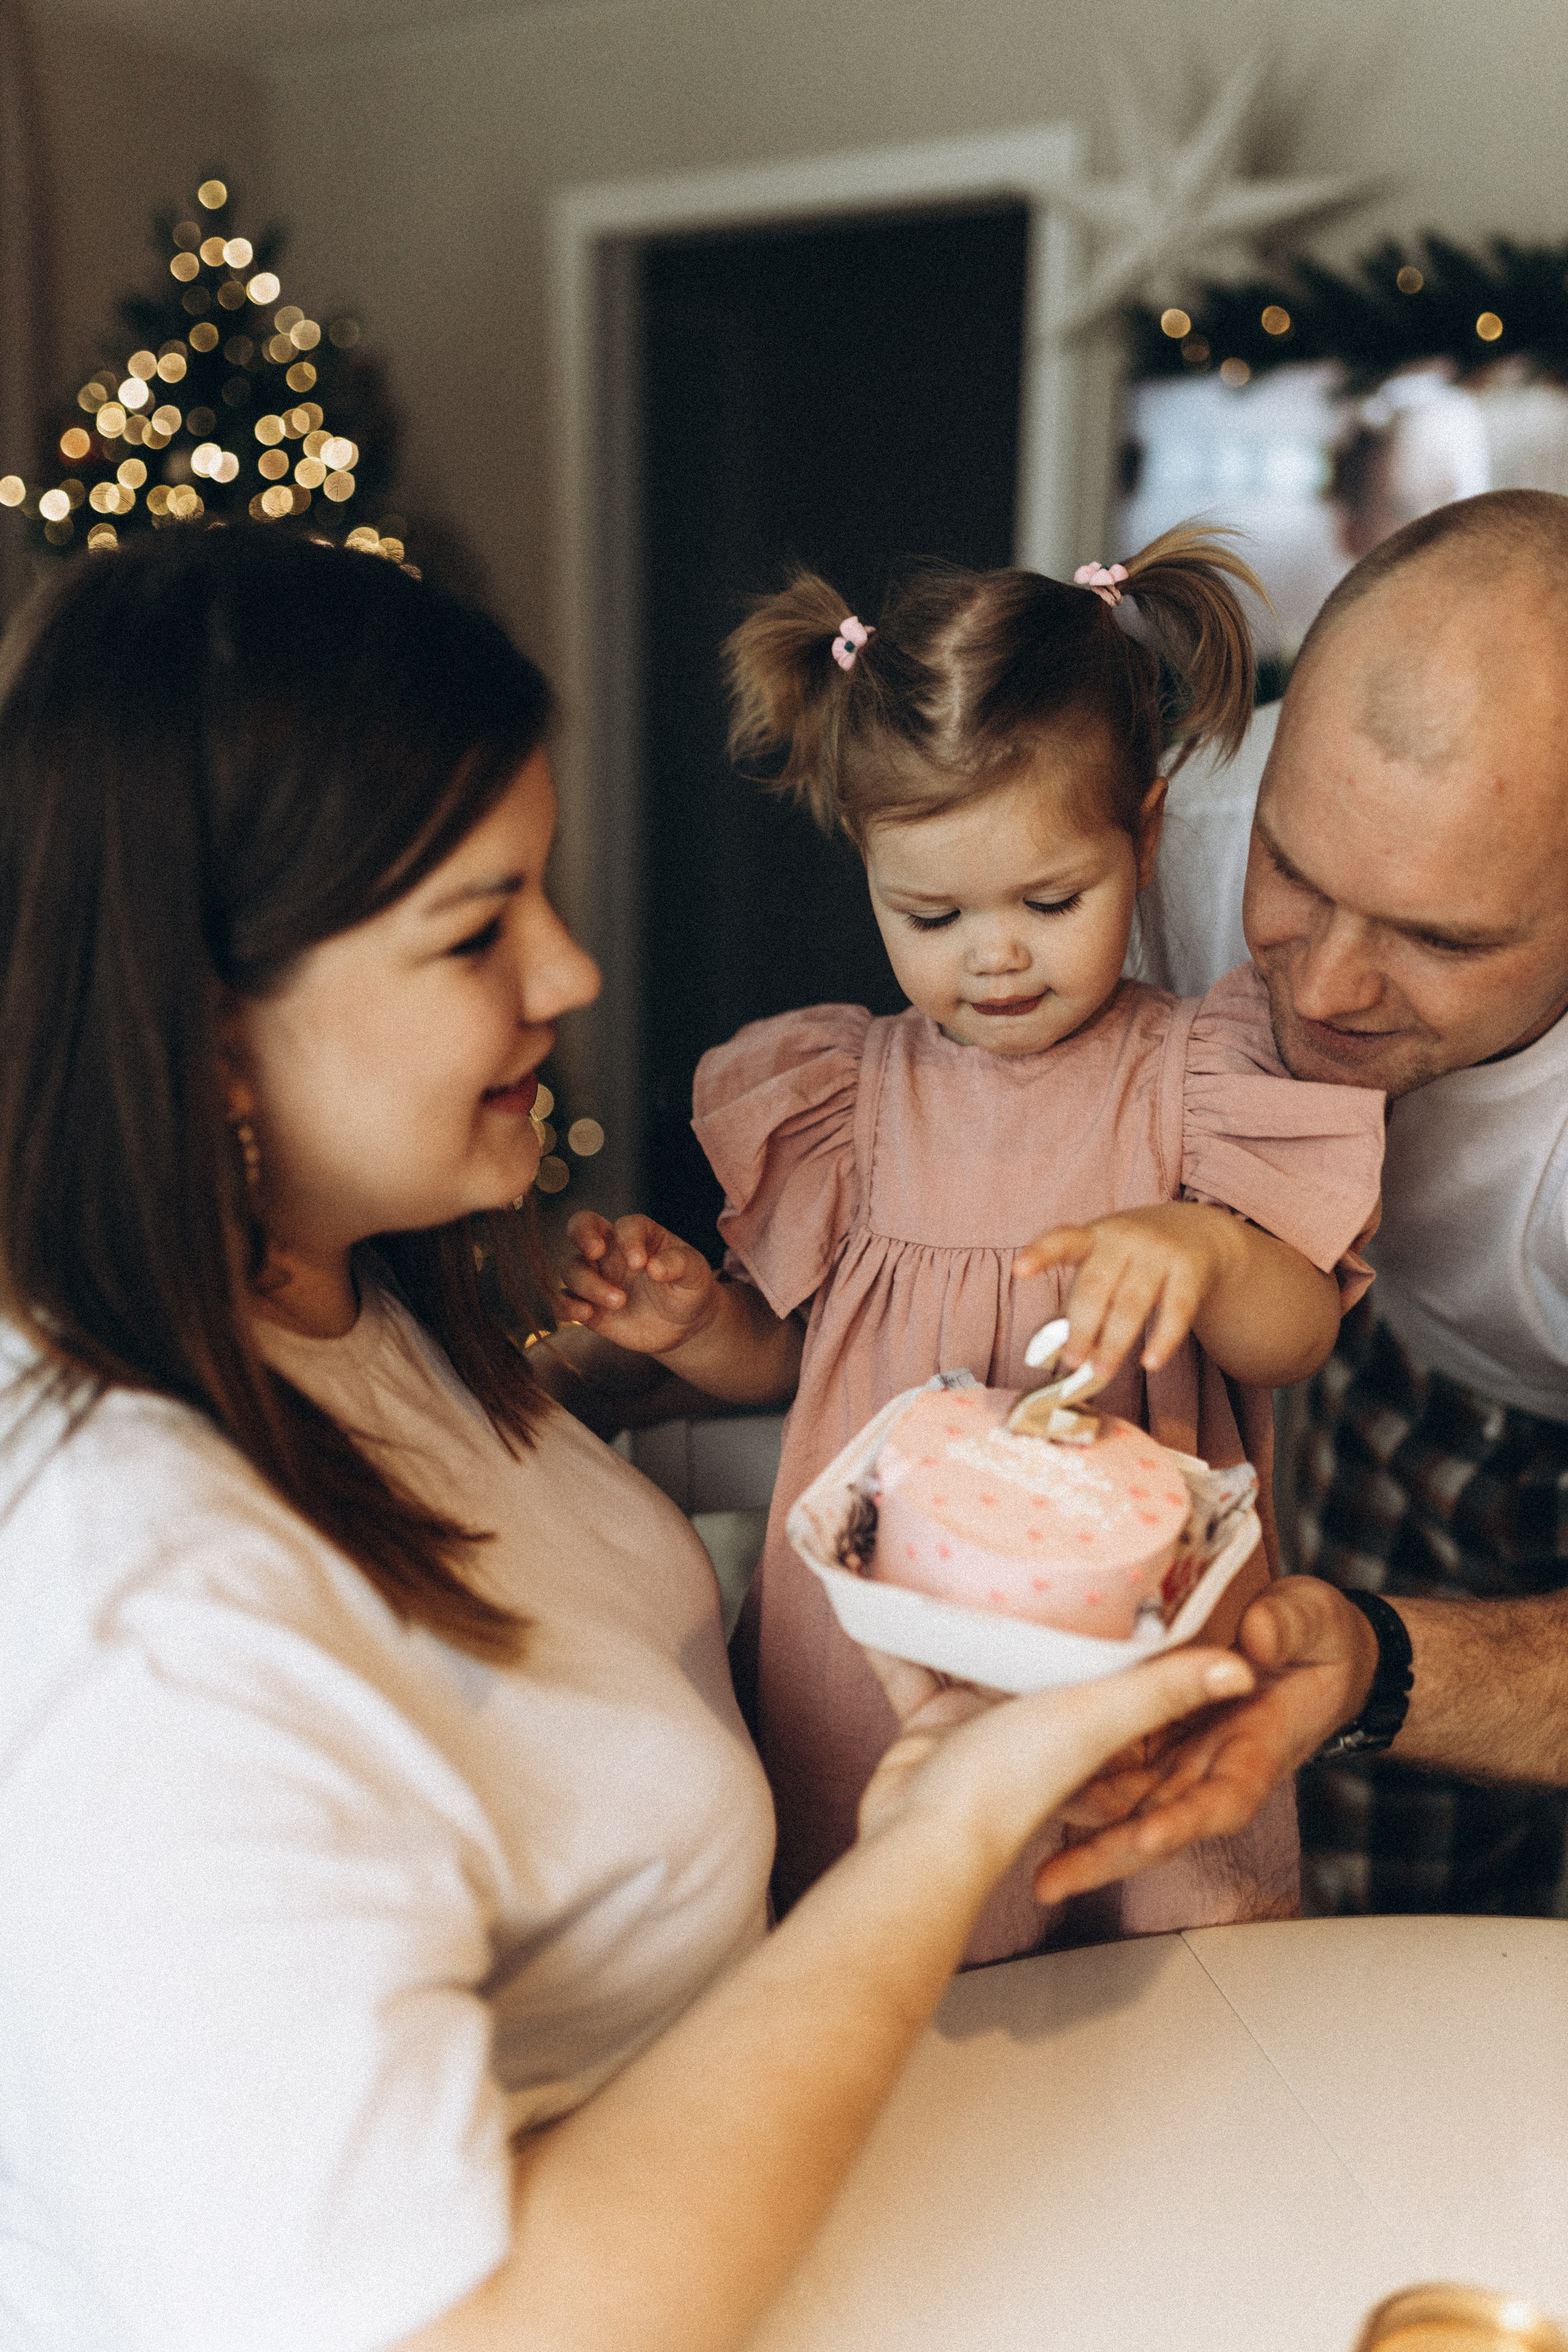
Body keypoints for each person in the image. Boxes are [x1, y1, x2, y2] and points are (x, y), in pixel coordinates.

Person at [0, 525, 1264, 2352]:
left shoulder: (343, 1307)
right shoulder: (141, 1630)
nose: (577, 974)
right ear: (202, 1030)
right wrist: (932, 1839)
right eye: (475, 929)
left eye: (547, 891)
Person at [554, 528, 1385, 1958]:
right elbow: (793, 1373)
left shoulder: (1199, 1075)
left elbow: (1295, 1335)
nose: (990, 956)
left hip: (1126, 1645)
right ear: (864, 869)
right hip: (872, 1660)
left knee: (1148, 1980)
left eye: (1046, 903)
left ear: (1139, 832)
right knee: (897, 1980)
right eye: (928, 914)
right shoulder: (846, 1098)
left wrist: (1202, 1250)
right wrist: (695, 1326)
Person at [1065, 488, 1568, 1920]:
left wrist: (1389, 1667)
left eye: (1437, 938)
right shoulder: (1189, 820)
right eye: (1295, 875)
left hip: (1527, 1410)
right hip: (1372, 1356)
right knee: (1350, 1893)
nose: (1324, 988)